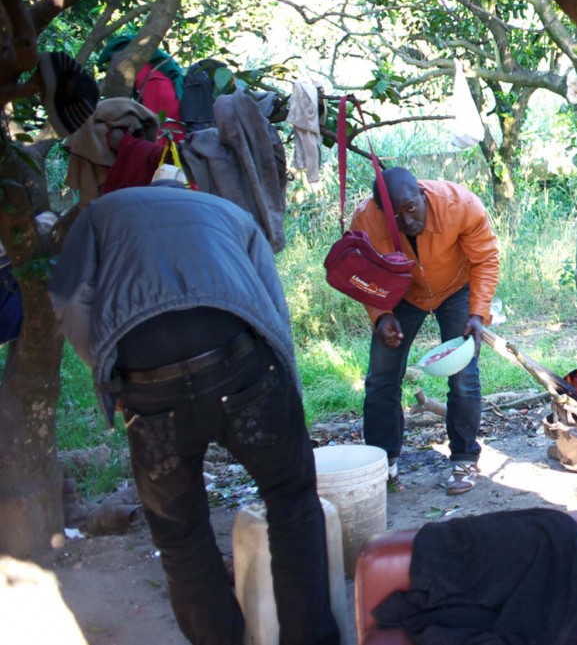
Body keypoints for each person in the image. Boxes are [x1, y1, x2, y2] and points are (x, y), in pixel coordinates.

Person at [49, 181, 340, 645]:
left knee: (180, 534)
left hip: (151, 386)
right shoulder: (227, 209)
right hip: (241, 368)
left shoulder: (101, 213)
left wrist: (110, 373)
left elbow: (67, 300)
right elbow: (271, 303)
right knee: (292, 501)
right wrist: (286, 391)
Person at [351, 167, 499, 495]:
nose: (406, 221)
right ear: (379, 210)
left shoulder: (460, 205)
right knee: (381, 378)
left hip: (455, 288)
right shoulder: (365, 221)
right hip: (400, 294)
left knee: (463, 376)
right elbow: (363, 274)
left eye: (411, 208)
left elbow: (485, 260)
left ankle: (463, 459)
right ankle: (382, 465)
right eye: (395, 215)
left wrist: (477, 313)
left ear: (422, 194)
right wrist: (380, 315)